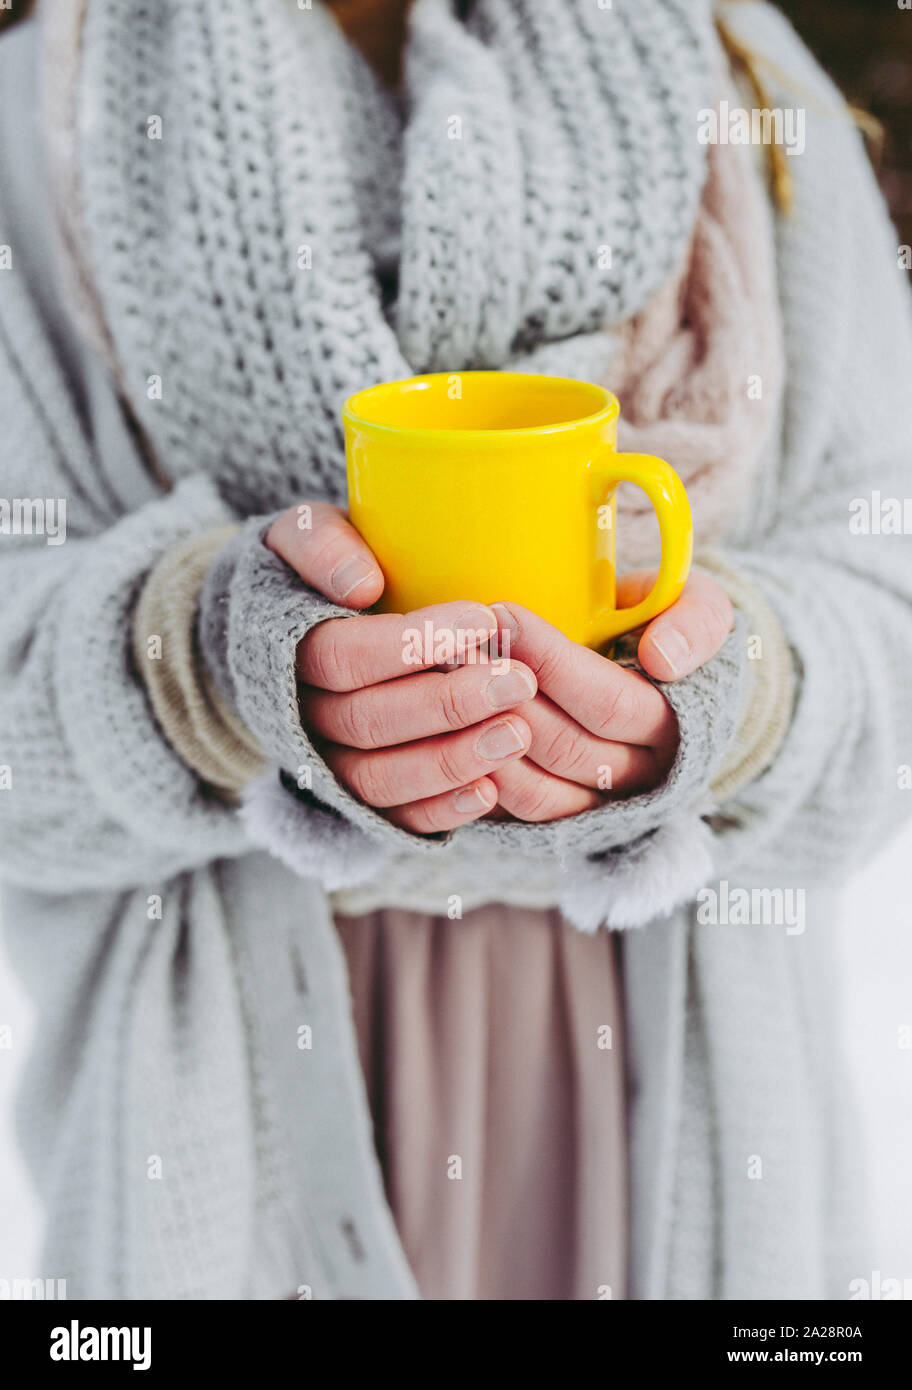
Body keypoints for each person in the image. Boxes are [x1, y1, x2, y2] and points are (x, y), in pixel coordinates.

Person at [0, 0, 910, 1300]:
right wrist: (203, 663)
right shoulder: (37, 123)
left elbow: (892, 601)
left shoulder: (756, 105)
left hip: (666, 1113)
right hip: (225, 1159)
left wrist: (740, 692)